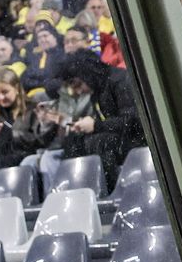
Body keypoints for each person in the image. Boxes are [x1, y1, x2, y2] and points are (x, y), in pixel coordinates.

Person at [54, 48, 147, 187]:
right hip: (119, 139)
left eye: (78, 84)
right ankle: (78, 191)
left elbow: (133, 122)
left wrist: (96, 126)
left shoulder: (120, 80)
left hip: (138, 140)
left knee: (102, 143)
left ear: (88, 73)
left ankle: (109, 191)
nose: (79, 91)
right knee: (73, 141)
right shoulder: (98, 90)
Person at [0, 68, 59, 198]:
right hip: (1, 154)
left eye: (5, 92)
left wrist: (10, 132)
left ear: (16, 88)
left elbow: (39, 140)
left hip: (24, 153)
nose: (1, 97)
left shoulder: (31, 108)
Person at [22, 23, 66, 95]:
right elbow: (25, 80)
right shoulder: (35, 57)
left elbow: (58, 81)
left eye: (45, 36)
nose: (42, 40)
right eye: (39, 38)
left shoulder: (63, 55)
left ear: (55, 37)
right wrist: (44, 83)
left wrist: (40, 82)